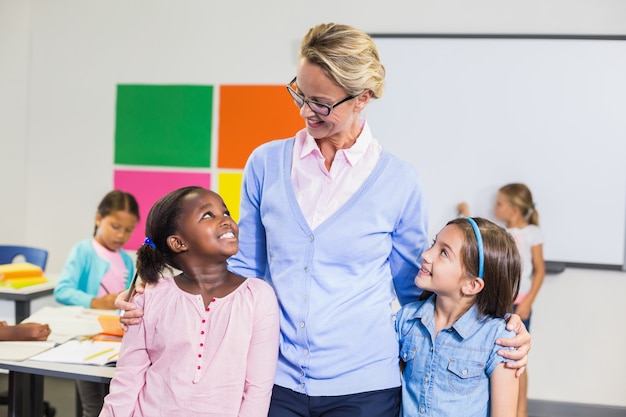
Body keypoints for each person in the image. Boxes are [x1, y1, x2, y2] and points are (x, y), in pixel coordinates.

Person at [117, 23, 531, 417]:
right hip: (274, 377)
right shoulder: (265, 164)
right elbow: (241, 270)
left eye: (321, 102)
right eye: (300, 94)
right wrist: (151, 299)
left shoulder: (400, 181)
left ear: (363, 98)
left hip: (365, 384)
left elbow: (415, 290)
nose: (305, 112)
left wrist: (493, 327)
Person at [99, 186, 279, 417]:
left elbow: (257, 391)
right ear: (178, 242)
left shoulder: (258, 296)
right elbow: (127, 379)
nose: (225, 220)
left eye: (226, 213)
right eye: (208, 215)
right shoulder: (150, 296)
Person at [397, 217, 521, 417]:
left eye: (444, 252)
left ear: (471, 285)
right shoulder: (406, 320)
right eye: (433, 244)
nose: (426, 255)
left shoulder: (498, 338)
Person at [458, 183, 544, 417]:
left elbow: (540, 270)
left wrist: (527, 303)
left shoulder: (531, 233)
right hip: (500, 302)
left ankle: (521, 410)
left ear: (514, 209)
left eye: (499, 203)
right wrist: (465, 213)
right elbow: (476, 239)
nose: (494, 207)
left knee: (517, 360)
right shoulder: (501, 233)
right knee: (497, 355)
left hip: (520, 304)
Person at [54, 189, 139, 417]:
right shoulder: (84, 251)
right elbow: (62, 291)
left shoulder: (125, 260)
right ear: (99, 219)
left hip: (114, 342)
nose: (120, 235)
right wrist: (95, 302)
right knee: (93, 406)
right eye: (115, 226)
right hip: (87, 341)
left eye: (128, 230)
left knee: (114, 400)